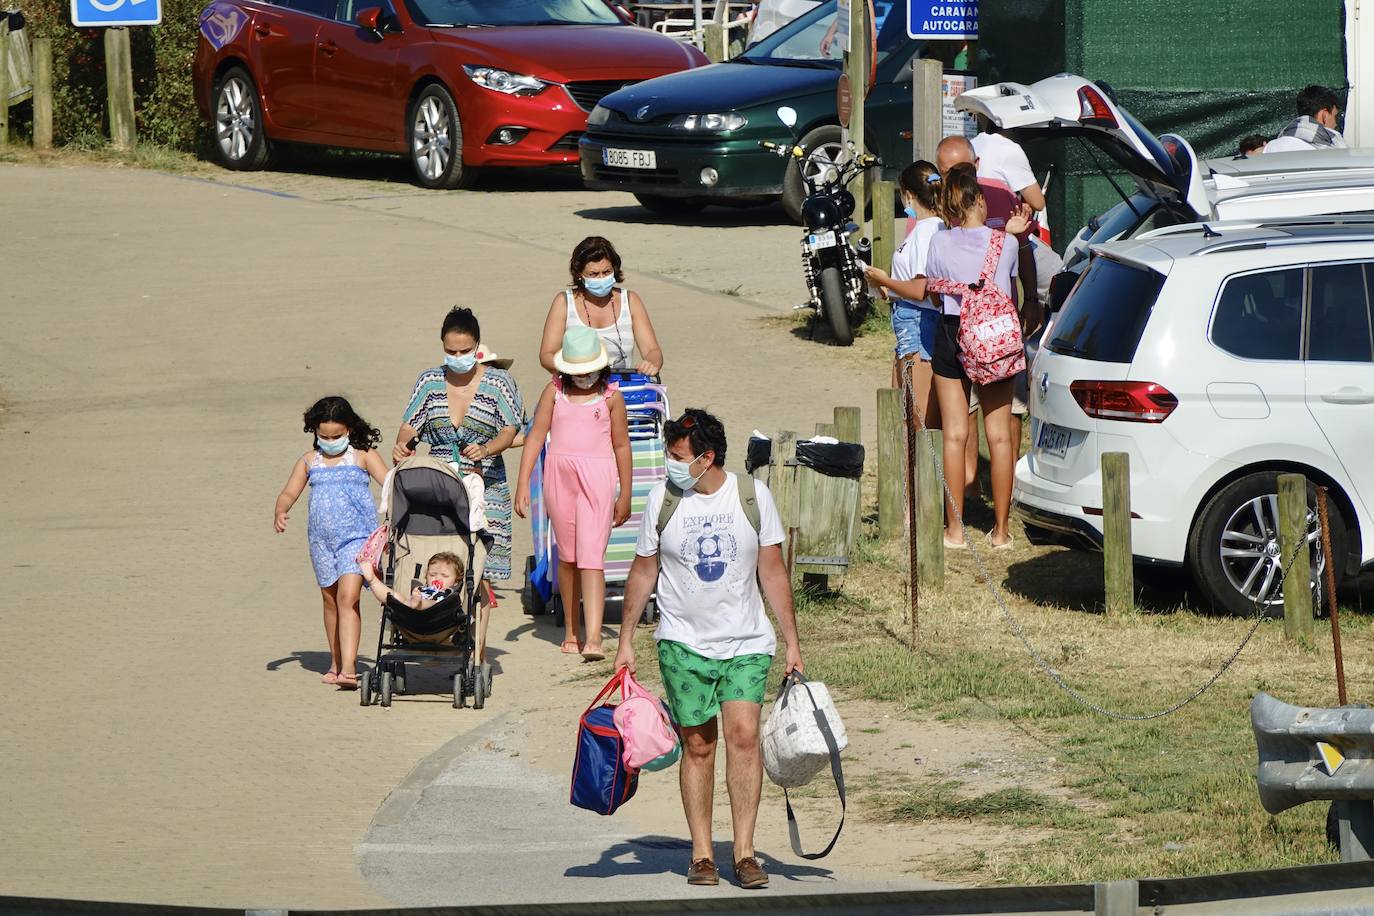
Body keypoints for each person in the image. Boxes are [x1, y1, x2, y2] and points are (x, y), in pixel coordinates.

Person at [613, 409, 804, 891]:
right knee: (698, 745)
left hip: (746, 642)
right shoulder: (663, 500)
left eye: (677, 456)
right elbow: (642, 572)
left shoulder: (751, 497)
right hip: (683, 644)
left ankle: (744, 852)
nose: (670, 465)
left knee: (743, 736)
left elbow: (773, 572)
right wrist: (625, 640)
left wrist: (792, 643)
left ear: (707, 457)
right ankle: (702, 854)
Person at [394, 307, 524, 658]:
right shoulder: (429, 381)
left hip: (486, 483)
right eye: (450, 351)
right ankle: (433, 636)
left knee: (479, 574)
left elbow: (512, 427)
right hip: (440, 486)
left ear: (476, 347)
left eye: (464, 351)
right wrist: (403, 441)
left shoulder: (499, 383)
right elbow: (411, 422)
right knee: (438, 563)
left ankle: (476, 650)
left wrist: (487, 448)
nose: (457, 357)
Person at [926, 164, 1032, 550]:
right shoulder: (1004, 243)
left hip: (952, 332)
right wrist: (1012, 233)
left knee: (955, 435)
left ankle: (955, 529)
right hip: (993, 338)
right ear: (980, 201)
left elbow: (936, 295)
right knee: (999, 436)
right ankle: (1001, 532)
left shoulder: (938, 243)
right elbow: (1011, 286)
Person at [937, 134, 1045, 497]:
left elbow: (1021, 250)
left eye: (961, 170)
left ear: (977, 166)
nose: (954, 178)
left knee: (1005, 420)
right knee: (962, 423)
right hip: (957, 326)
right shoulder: (942, 209)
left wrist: (1032, 299)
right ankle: (969, 491)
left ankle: (1005, 498)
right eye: (946, 172)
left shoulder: (999, 197)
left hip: (994, 327)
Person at [516, 328, 632, 661]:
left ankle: (593, 638)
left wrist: (625, 493)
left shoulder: (611, 397)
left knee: (592, 556)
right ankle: (571, 628)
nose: (584, 378)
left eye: (589, 371)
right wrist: (524, 483)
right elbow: (536, 437)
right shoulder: (554, 393)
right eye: (577, 372)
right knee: (568, 557)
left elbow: (622, 446)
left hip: (597, 477)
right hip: (558, 476)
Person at [274, 396, 389, 689]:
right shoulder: (309, 461)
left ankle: (349, 669)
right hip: (322, 542)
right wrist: (281, 509)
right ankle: (336, 661)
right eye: (323, 436)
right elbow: (289, 492)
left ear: (349, 429)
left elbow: (390, 484)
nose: (329, 441)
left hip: (357, 539)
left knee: (348, 598)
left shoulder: (363, 455)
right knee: (330, 600)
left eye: (336, 436)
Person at [862, 160, 945, 426]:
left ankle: (916, 469)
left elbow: (922, 288)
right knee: (903, 413)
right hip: (909, 321)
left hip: (920, 324)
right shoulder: (927, 229)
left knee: (918, 421)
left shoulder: (927, 231)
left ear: (908, 194)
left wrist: (885, 279)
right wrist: (888, 288)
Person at [539, 236, 664, 377]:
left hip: (622, 388)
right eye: (593, 274)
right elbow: (547, 354)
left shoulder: (630, 301)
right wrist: (574, 370)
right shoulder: (564, 303)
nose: (601, 278)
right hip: (577, 388)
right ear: (579, 275)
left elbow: (652, 350)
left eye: (606, 272)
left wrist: (651, 364)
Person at [359, 551, 464, 612]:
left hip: (439, 612)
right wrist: (415, 598)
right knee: (396, 597)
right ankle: (373, 580)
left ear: (456, 581)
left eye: (444, 576)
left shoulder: (450, 594)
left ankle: (418, 604)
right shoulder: (421, 589)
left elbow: (440, 603)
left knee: (434, 603)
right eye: (432, 575)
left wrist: (418, 601)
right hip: (411, 611)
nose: (437, 579)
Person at [1268, 85, 1347, 152]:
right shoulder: (1335, 150)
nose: (1336, 124)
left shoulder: (1271, 148)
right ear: (1324, 115)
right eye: (1335, 117)